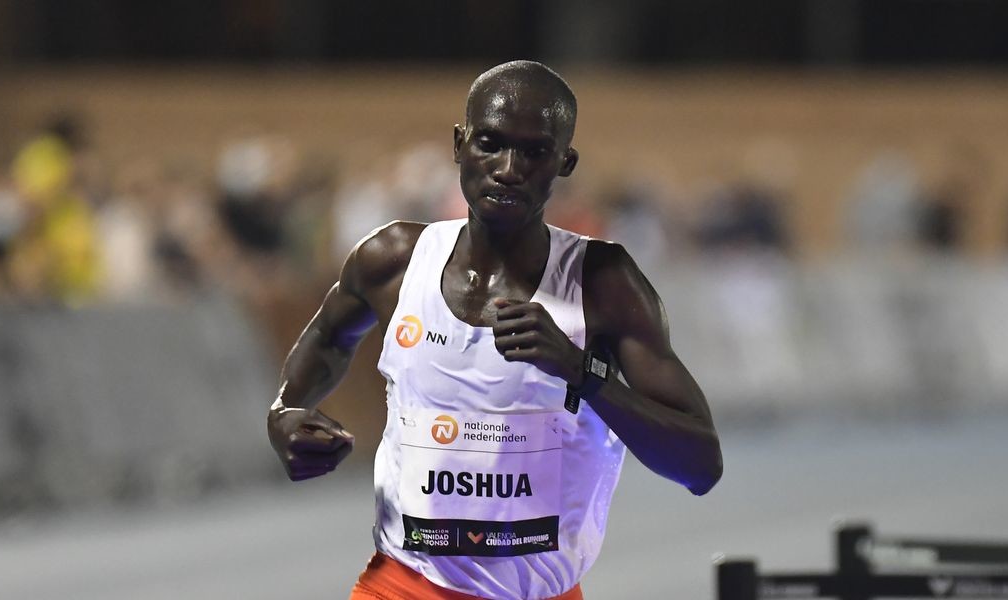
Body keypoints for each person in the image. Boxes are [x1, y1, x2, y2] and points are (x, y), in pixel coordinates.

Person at [267, 60, 722, 600]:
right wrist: (286, 412)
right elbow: (327, 337)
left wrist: (581, 372)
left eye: (534, 152)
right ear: (459, 145)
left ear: (565, 162)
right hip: (402, 584)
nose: (508, 169)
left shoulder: (601, 283)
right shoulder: (394, 260)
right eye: (490, 143)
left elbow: (700, 465)